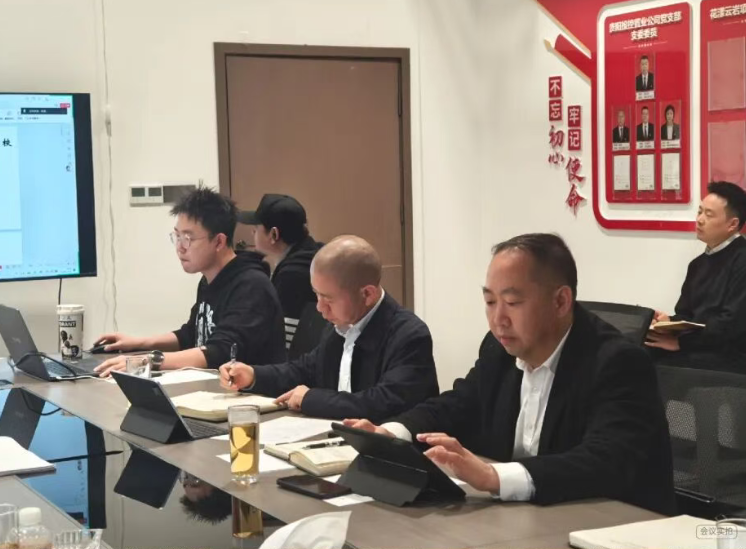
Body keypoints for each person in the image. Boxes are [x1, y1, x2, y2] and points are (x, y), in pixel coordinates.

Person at [344, 233, 675, 514]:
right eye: (490, 302)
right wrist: (392, 434)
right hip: (524, 519)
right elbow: (459, 403)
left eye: (512, 303)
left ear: (561, 302)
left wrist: (494, 476)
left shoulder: (618, 363)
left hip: (610, 523)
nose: (498, 319)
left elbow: (604, 462)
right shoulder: (499, 348)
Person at [219, 235, 439, 422]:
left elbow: (382, 403)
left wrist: (311, 399)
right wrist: (254, 375)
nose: (319, 307)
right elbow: (305, 369)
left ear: (367, 294)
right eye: (316, 294)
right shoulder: (341, 323)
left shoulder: (409, 336)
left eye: (328, 299)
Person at [94, 187, 286, 377]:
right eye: (177, 236)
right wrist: (139, 343)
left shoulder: (251, 286)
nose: (180, 247)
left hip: (249, 393)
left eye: (187, 238)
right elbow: (191, 335)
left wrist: (148, 361)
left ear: (219, 242)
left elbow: (220, 352)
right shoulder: (209, 279)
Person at [647, 182, 746, 371]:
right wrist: (669, 323)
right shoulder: (697, 264)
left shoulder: (742, 260)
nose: (699, 220)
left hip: (730, 353)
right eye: (699, 212)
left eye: (709, 215)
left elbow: (732, 324)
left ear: (732, 224)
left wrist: (682, 343)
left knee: (656, 364)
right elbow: (686, 315)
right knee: (639, 347)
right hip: (699, 345)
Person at [238, 194, 323, 345]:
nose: (253, 233)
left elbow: (285, 340)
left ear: (274, 234)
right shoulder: (315, 256)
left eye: (256, 229)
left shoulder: (292, 275)